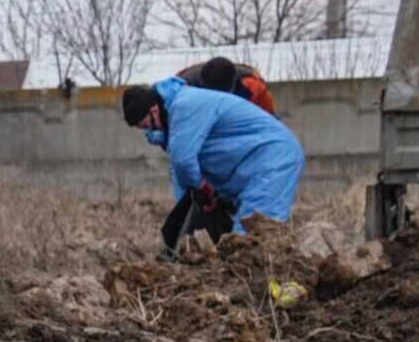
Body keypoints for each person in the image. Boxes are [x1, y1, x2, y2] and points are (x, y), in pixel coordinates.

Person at [127, 71, 304, 252]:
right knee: (238, 238)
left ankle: (263, 277)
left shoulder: (185, 107)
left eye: (146, 125)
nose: (148, 132)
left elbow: (183, 161)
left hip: (272, 158)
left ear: (154, 110)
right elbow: (182, 174)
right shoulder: (174, 120)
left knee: (253, 236)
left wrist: (202, 187)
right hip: (248, 165)